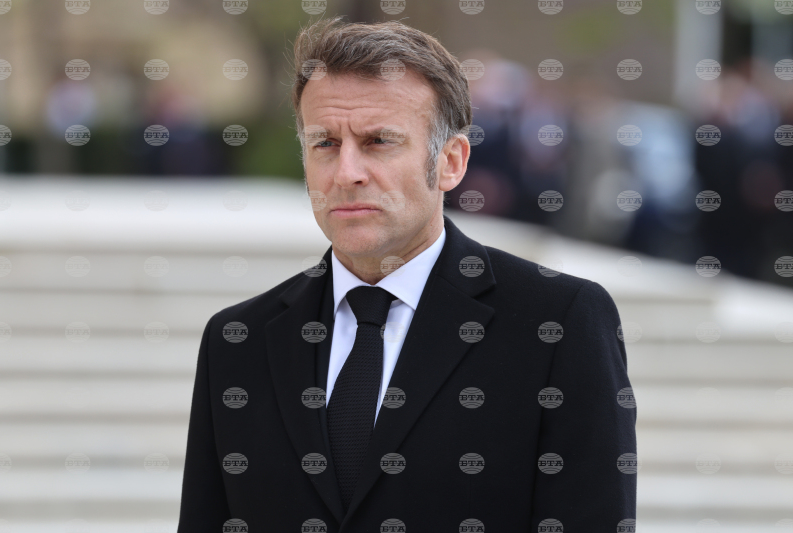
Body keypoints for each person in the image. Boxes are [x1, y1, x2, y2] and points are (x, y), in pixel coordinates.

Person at [177, 16, 636, 532]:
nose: (346, 173)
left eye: (378, 141)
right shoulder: (237, 339)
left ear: (451, 162)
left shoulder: (557, 322)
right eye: (325, 143)